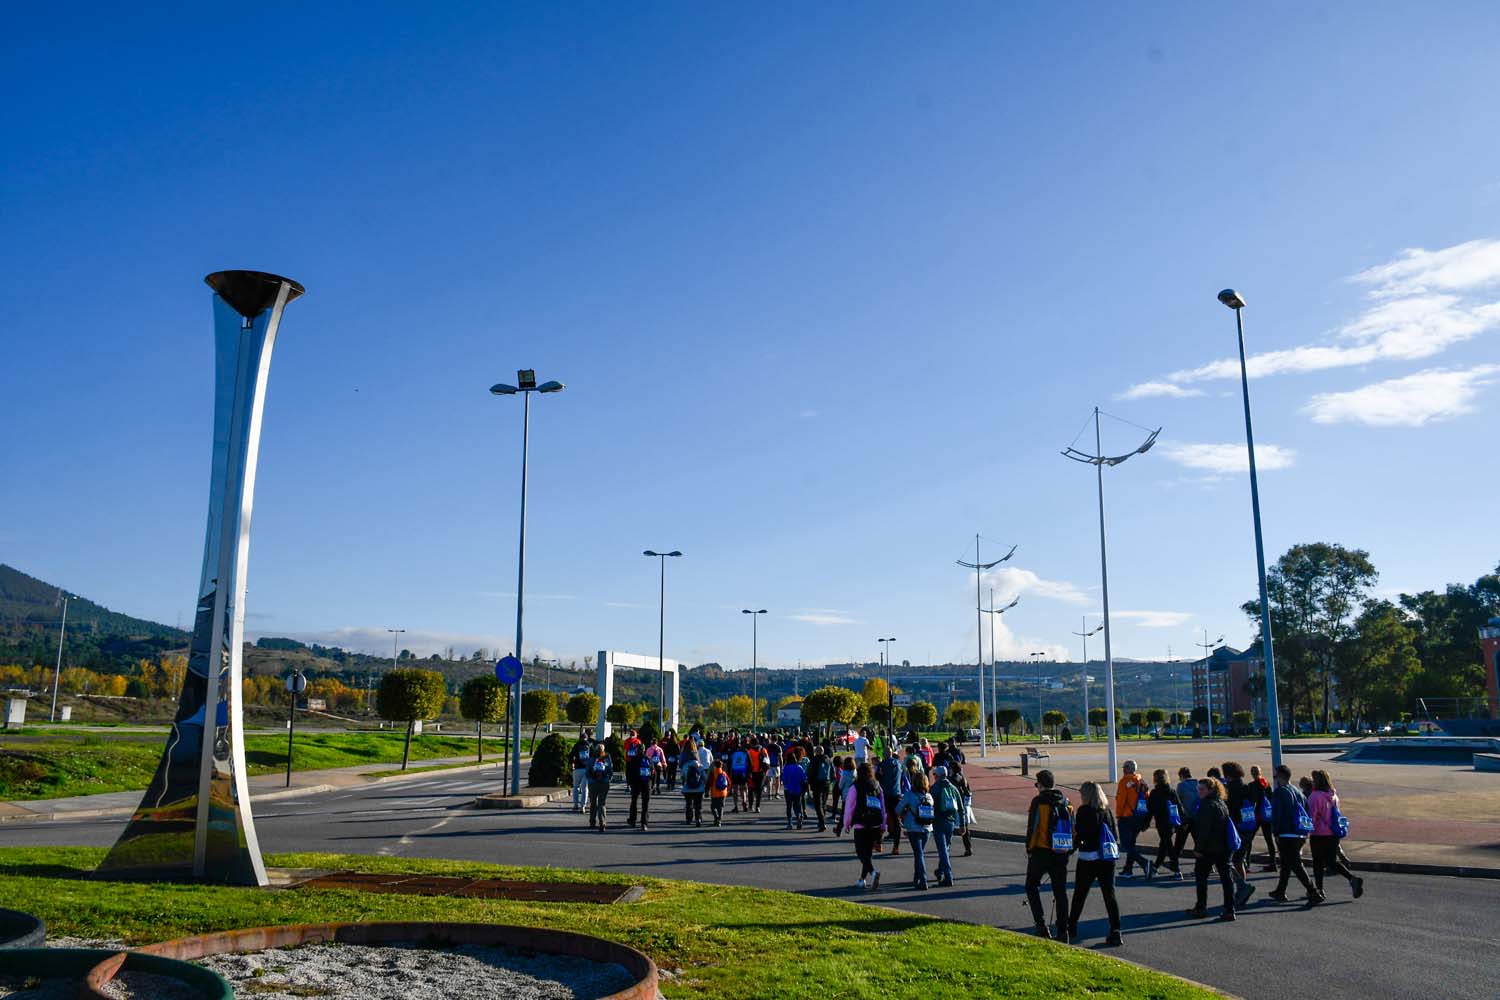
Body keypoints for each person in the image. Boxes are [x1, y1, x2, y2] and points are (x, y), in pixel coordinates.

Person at [1067, 780, 1122, 946]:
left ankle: (1071, 927)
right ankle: (1116, 930)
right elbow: (1114, 835)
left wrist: (1069, 851)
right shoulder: (1107, 811)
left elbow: (1080, 835)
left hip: (1088, 858)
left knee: (1080, 894)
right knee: (1109, 895)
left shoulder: (1084, 811)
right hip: (1106, 859)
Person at [1024, 769, 1072, 940]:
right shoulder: (1065, 802)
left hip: (1041, 851)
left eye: (1037, 784)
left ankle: (1041, 925)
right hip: (1060, 852)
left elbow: (1033, 827)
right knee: (1060, 892)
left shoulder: (1039, 802)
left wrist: (1029, 848)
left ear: (1042, 785)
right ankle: (1062, 930)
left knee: (1031, 886)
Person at [1269, 764, 1324, 905]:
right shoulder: (1298, 792)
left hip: (1286, 833)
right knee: (1287, 863)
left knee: (1295, 864)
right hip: (1299, 832)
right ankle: (1280, 891)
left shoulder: (1280, 792)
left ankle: (1313, 891)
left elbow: (1277, 814)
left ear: (1280, 776)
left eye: (1276, 776)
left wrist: (1275, 832)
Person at [1307, 768, 1364, 899]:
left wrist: (1307, 830)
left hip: (1319, 834)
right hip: (1333, 833)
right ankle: (1352, 878)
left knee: (1318, 863)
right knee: (1331, 862)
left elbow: (1312, 816)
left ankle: (1319, 890)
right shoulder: (1334, 796)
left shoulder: (1315, 796)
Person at [1186, 777, 1237, 921]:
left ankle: (1201, 908)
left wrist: (1198, 849)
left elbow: (1204, 830)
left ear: (1210, 790)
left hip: (1210, 848)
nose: (1199, 792)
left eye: (1202, 789)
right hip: (1224, 847)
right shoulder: (1221, 803)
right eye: (1198, 789)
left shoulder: (1206, 805)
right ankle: (1229, 909)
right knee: (1226, 879)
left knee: (1201, 878)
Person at [844, 761, 886, 890]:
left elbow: (849, 807)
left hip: (861, 822)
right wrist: (883, 824)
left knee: (860, 852)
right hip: (875, 823)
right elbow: (882, 806)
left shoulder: (855, 787)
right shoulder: (877, 786)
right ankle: (862, 879)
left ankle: (873, 872)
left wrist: (847, 823)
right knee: (867, 852)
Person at [1221, 761, 1257, 906]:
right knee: (1238, 860)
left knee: (1227, 861)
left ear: (1228, 775)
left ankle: (1241, 887)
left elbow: (1227, 810)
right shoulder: (1246, 787)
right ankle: (1242, 888)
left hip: (1235, 829)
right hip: (1248, 827)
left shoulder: (1229, 790)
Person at [897, 766, 935, 889]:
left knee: (918, 854)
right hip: (927, 828)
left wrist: (905, 811)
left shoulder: (910, 795)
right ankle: (916, 877)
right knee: (919, 853)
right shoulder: (929, 796)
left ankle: (923, 880)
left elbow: (897, 809)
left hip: (913, 827)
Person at [1114, 760, 1153, 879]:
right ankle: (1128, 869)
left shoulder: (1124, 781)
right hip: (1138, 817)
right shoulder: (1140, 781)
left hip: (1126, 816)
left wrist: (1118, 814)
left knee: (1126, 844)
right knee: (1131, 844)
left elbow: (1121, 800)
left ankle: (1145, 863)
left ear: (1126, 769)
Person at [929, 765, 965, 886]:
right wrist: (962, 824)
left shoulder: (934, 789)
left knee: (942, 850)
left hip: (938, 821)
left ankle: (948, 876)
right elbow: (961, 807)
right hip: (951, 821)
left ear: (937, 776)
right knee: (946, 848)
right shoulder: (953, 788)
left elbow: (929, 806)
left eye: (934, 775)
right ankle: (940, 871)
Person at [1148, 768, 1185, 878]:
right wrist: (1183, 821)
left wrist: (1145, 823)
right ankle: (1156, 866)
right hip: (1172, 822)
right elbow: (1179, 807)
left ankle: (1177, 870)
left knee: (1167, 845)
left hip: (1161, 823)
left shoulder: (1154, 793)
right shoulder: (1171, 791)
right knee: (1164, 844)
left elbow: (1150, 809)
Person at [1250, 764, 1278, 871]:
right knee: (1269, 840)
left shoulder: (1252, 785)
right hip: (1266, 815)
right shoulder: (1266, 784)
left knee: (1249, 840)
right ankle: (1273, 863)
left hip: (1257, 815)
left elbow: (1252, 800)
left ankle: (1246, 863)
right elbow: (1271, 798)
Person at [876, 748, 902, 853]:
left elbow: (878, 778)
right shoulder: (899, 764)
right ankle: (896, 846)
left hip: (885, 794)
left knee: (881, 818)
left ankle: (879, 843)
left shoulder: (882, 765)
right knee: (896, 820)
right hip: (896, 793)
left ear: (884, 754)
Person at [1172, 766, 1198, 861]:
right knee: (1199, 842)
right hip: (1197, 818)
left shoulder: (1181, 785)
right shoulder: (1198, 784)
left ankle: (1175, 865)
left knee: (1179, 843)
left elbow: (1177, 802)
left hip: (1185, 819)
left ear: (1182, 776)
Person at [949, 761, 975, 856]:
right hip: (963, 805)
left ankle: (946, 846)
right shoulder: (963, 779)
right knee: (965, 828)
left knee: (949, 827)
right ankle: (968, 848)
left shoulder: (950, 780)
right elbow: (968, 792)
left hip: (953, 805)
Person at [586, 744, 613, 832]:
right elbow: (610, 771)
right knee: (602, 803)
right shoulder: (607, 759)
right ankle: (602, 823)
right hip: (604, 783)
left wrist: (590, 779)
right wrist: (608, 779)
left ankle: (592, 821)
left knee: (593, 802)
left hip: (593, 783)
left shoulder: (591, 760)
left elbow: (587, 772)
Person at [807, 746, 833, 832]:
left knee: (818, 804)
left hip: (817, 783)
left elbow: (811, 772)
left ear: (816, 752)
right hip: (826, 783)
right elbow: (832, 773)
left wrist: (809, 782)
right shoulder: (828, 759)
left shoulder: (814, 760)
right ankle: (822, 820)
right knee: (824, 803)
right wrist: (829, 781)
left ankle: (821, 823)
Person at [681, 747, 707, 826]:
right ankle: (698, 819)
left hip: (687, 789)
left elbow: (683, 777)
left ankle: (689, 818)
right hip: (699, 789)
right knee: (698, 805)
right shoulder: (701, 766)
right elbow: (704, 778)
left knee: (689, 804)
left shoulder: (685, 766)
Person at [782, 750, 808, 829]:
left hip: (788, 789)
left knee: (789, 806)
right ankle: (799, 816)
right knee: (797, 805)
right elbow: (804, 778)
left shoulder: (786, 768)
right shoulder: (799, 767)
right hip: (797, 789)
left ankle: (790, 822)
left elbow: (784, 779)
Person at [570, 733, 593, 814]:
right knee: (585, 789)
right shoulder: (590, 746)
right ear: (587, 738)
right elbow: (594, 757)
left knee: (575, 787)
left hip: (577, 768)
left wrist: (572, 764)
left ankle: (575, 804)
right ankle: (582, 807)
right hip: (586, 769)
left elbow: (570, 756)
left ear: (580, 738)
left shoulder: (576, 746)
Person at [707, 760, 730, 826]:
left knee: (713, 807)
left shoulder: (712, 773)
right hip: (723, 793)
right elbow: (729, 782)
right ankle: (719, 820)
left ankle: (716, 817)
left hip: (714, 793)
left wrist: (707, 791)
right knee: (721, 807)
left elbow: (709, 783)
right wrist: (727, 790)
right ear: (721, 766)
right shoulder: (724, 773)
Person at [729, 743, 750, 812]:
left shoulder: (733, 754)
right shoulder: (745, 753)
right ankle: (744, 802)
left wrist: (730, 774)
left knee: (735, 790)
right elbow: (749, 764)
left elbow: (730, 764)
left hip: (735, 772)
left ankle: (736, 806)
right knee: (743, 789)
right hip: (743, 773)